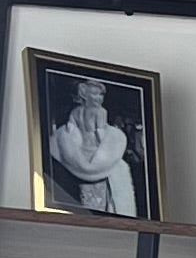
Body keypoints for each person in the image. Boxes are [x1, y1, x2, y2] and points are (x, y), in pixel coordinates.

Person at [48, 74, 140, 215]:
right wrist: (106, 140)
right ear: (84, 95)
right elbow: (99, 131)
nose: (99, 98)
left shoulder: (79, 111)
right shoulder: (98, 112)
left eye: (101, 95)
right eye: (96, 94)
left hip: (85, 150)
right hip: (91, 149)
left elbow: (72, 128)